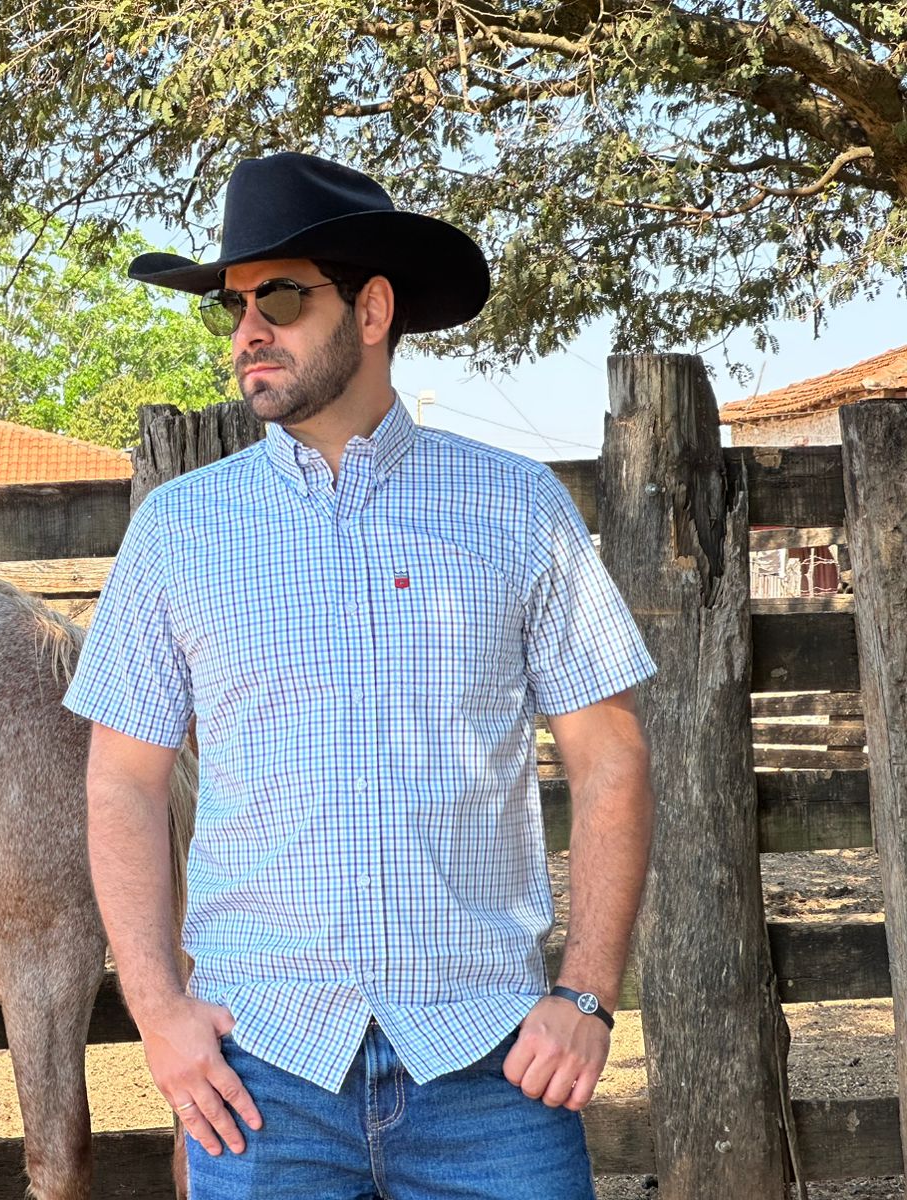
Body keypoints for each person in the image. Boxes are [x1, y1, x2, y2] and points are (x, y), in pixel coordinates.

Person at [62, 152, 657, 1199]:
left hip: (491, 1068)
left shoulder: (517, 509)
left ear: (372, 309)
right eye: (234, 306)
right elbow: (121, 781)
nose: (248, 330)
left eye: (281, 298)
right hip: (259, 1076)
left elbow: (611, 761)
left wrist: (587, 997)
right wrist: (157, 1015)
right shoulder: (177, 531)